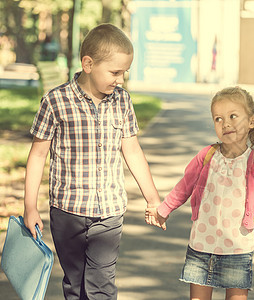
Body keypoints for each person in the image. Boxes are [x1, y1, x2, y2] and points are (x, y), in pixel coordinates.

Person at [23, 23, 164, 299]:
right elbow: (38, 156)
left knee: (102, 286)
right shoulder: (55, 102)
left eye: (124, 72)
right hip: (67, 212)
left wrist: (153, 198)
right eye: (115, 72)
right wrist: (30, 207)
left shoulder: (122, 101)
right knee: (75, 285)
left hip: (109, 212)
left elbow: (132, 150)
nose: (120, 80)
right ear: (88, 64)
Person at [146, 87, 254, 300]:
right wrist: (163, 210)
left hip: (237, 251)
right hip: (201, 247)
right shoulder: (207, 155)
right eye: (218, 119)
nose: (226, 124)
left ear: (251, 122)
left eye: (233, 116)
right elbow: (183, 187)